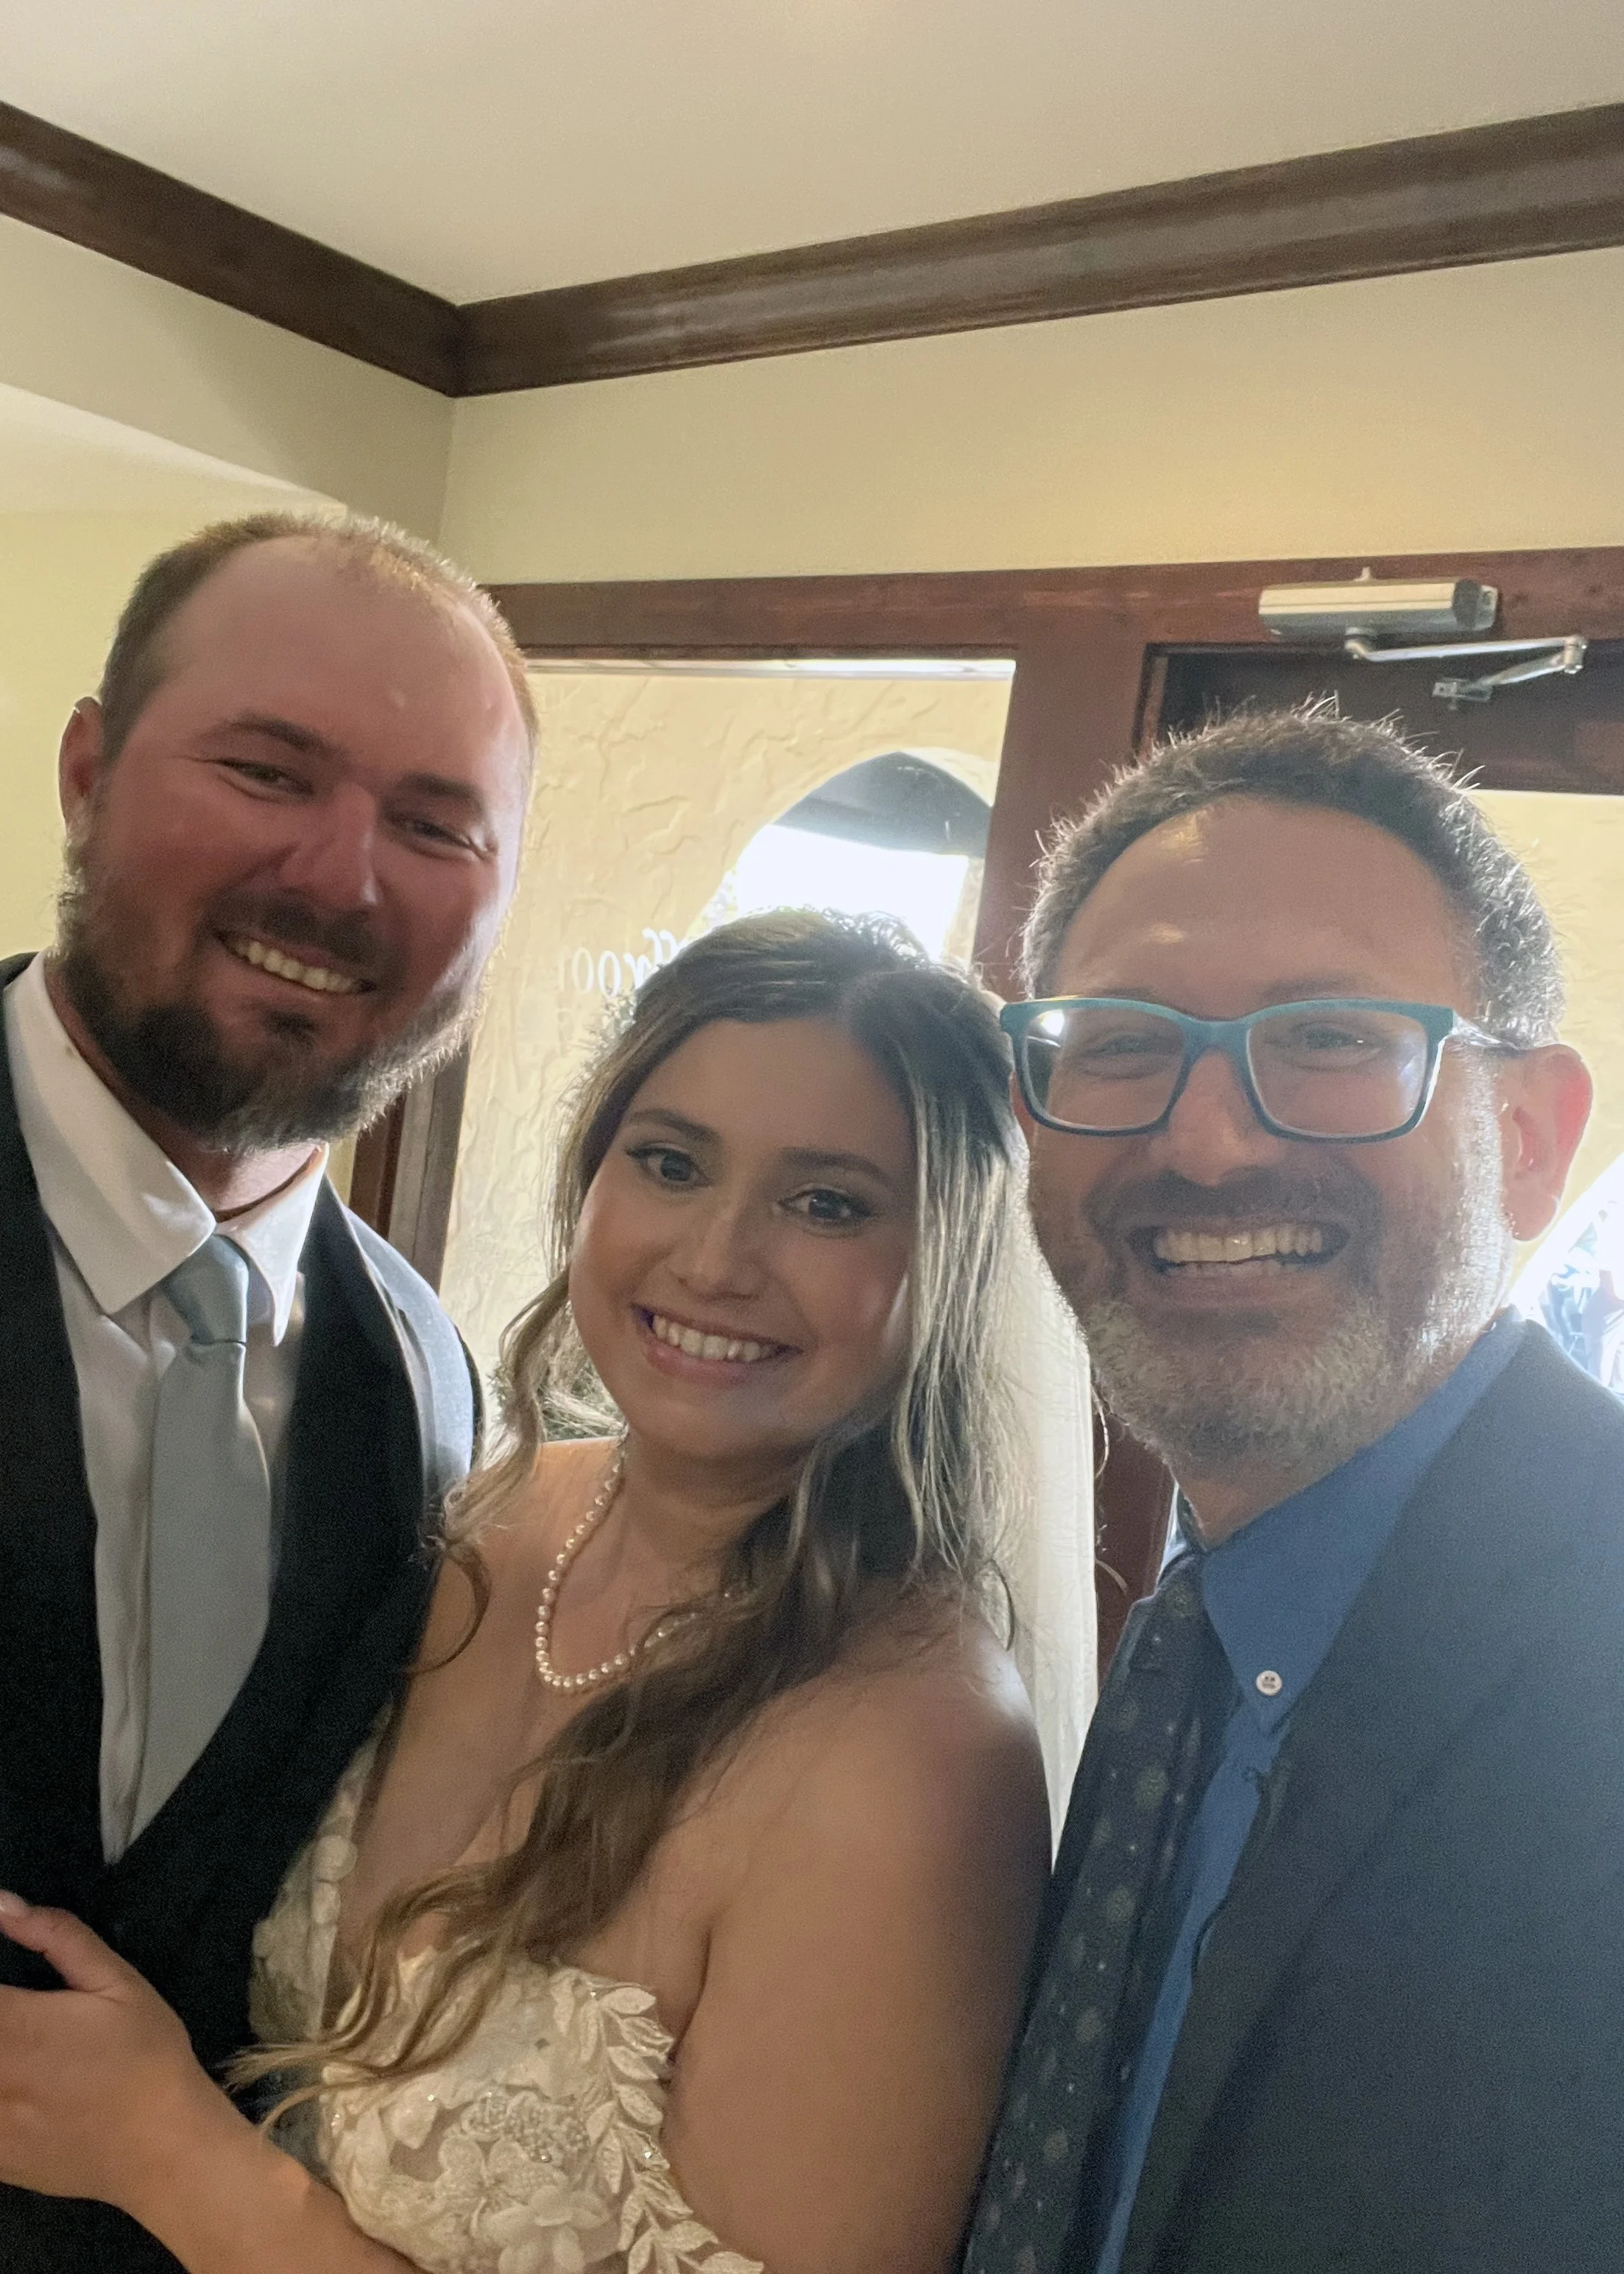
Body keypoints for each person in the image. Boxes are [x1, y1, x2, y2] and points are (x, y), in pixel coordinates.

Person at [0, 911, 1052, 2274]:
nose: (718, 1257)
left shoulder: (910, 1762)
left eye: (827, 1202)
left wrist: (169, 2156)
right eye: (669, 1164)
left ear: (948, 1261)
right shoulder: (485, 1520)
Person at [961, 703, 1622, 2274]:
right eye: (1117, 1043)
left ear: (1527, 1141)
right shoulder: (1187, 1647)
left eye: (1327, 1039)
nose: (1200, 1142)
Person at [0, 510, 535, 2274]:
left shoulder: (430, 1383)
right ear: (87, 770)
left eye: (435, 822)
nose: (338, 875)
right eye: (266, 767)